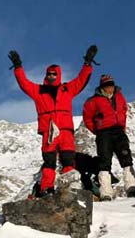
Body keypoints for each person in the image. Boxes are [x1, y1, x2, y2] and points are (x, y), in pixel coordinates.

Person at [9, 45, 96, 196]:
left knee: (68, 160)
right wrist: (18, 67)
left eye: (54, 74)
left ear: (59, 75)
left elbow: (82, 80)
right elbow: (24, 83)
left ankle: (69, 187)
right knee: (49, 162)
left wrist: (87, 63)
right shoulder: (38, 91)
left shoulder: (67, 89)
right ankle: (46, 188)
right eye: (49, 74)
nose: (51, 76)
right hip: (49, 131)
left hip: (65, 131)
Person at [82, 74, 135, 200]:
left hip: (118, 131)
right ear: (102, 86)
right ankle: (106, 192)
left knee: (126, 158)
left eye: (111, 84)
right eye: (107, 85)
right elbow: (87, 118)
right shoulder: (93, 101)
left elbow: (123, 110)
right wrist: (97, 130)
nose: (110, 87)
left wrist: (122, 126)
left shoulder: (119, 96)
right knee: (104, 162)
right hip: (103, 133)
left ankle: (131, 187)